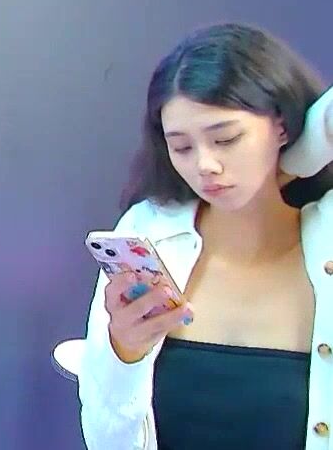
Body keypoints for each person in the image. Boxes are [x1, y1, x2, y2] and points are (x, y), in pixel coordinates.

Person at [78, 23, 333, 449]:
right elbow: (106, 440)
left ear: (283, 125)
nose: (205, 165)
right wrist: (124, 352)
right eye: (182, 147)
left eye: (226, 139)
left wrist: (305, 153)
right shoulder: (150, 232)